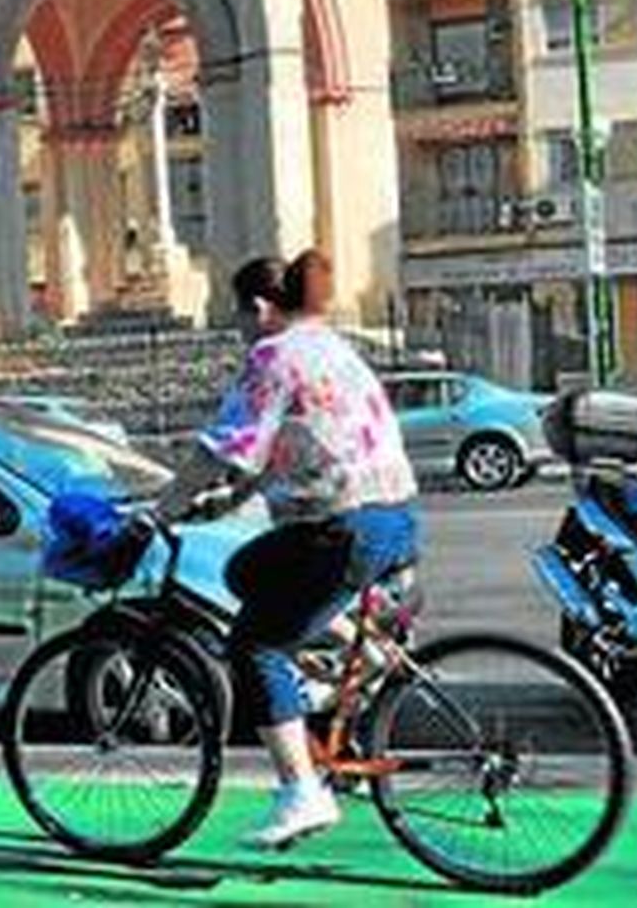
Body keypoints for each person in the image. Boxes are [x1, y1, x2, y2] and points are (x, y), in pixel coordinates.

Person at [194, 250, 419, 850]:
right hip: (394, 517)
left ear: (263, 308)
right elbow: (289, 441)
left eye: (238, 314)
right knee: (247, 571)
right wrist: (228, 498)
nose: (238, 328)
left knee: (255, 644)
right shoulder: (330, 345)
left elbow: (224, 443)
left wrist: (159, 511)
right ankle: (361, 660)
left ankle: (301, 792)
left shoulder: (273, 353)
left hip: (339, 529)